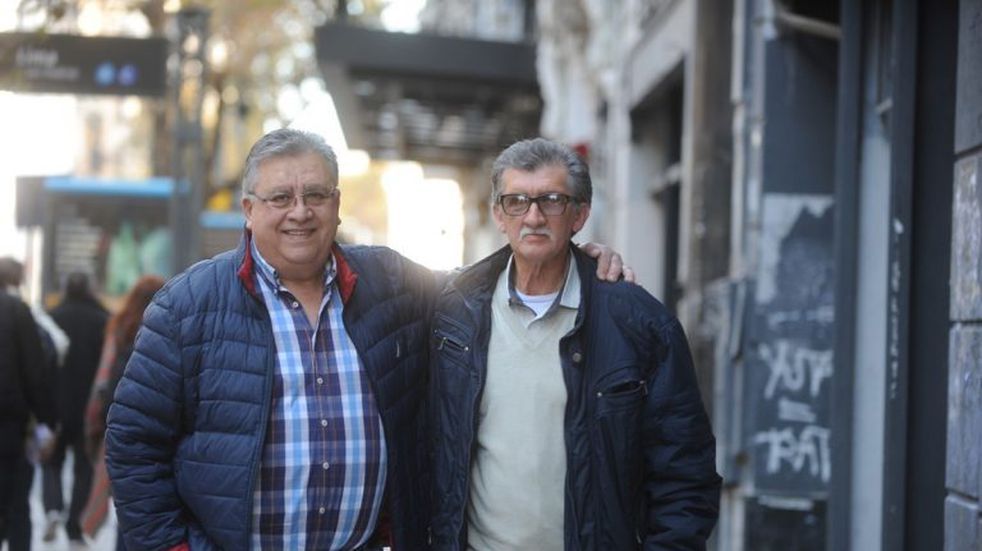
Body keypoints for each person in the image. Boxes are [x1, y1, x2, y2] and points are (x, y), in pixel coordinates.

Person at [105, 128, 628, 550]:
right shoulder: (187, 306)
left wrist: (570, 258)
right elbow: (131, 442)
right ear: (249, 209)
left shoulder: (393, 284)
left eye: (315, 195)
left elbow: (477, 291)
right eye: (280, 197)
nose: (300, 211)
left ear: (336, 204)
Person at [429, 138, 722, 549]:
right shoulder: (452, 313)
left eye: (551, 200)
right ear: (499, 214)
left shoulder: (638, 323)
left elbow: (685, 476)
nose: (533, 216)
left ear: (579, 215)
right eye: (516, 201)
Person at [81, 275, 165, 549]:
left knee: (125, 507)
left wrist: (94, 425)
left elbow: (103, 381)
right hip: (160, 433)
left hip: (119, 430)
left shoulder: (120, 328)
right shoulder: (169, 329)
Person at [42, 272, 109, 544]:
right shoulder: (102, 320)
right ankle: (74, 525)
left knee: (51, 461)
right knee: (84, 466)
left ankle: (52, 508)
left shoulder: (51, 318)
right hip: (88, 409)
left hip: (55, 405)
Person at [0, 284, 57, 551]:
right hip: (10, 425)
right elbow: (35, 371)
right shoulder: (15, 310)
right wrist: (46, 421)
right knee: (16, 504)